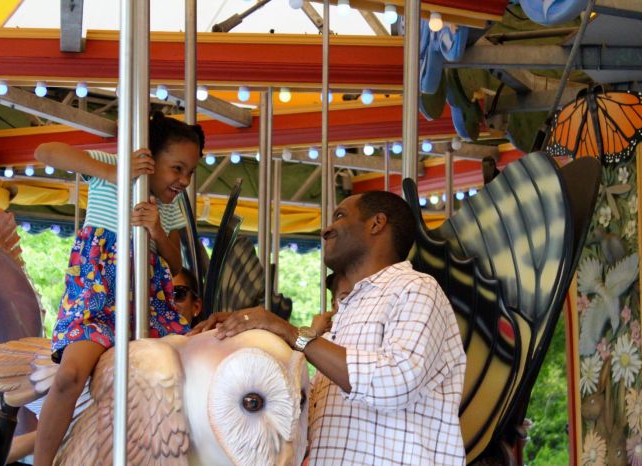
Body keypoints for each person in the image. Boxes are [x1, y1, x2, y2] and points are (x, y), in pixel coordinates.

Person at [190, 190, 466, 465]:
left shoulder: (416, 289)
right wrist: (251, 337)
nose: (325, 229)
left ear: (376, 223)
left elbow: (396, 380)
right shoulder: (348, 312)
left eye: (340, 216)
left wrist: (288, 331)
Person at [32, 111, 204, 466]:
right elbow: (45, 152)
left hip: (146, 305)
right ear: (150, 160)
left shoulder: (169, 210)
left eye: (190, 171)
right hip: (97, 300)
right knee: (70, 375)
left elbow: (175, 264)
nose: (184, 180)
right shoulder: (109, 172)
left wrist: (156, 231)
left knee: (187, 373)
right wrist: (116, 171)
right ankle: (42, 461)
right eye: (177, 168)